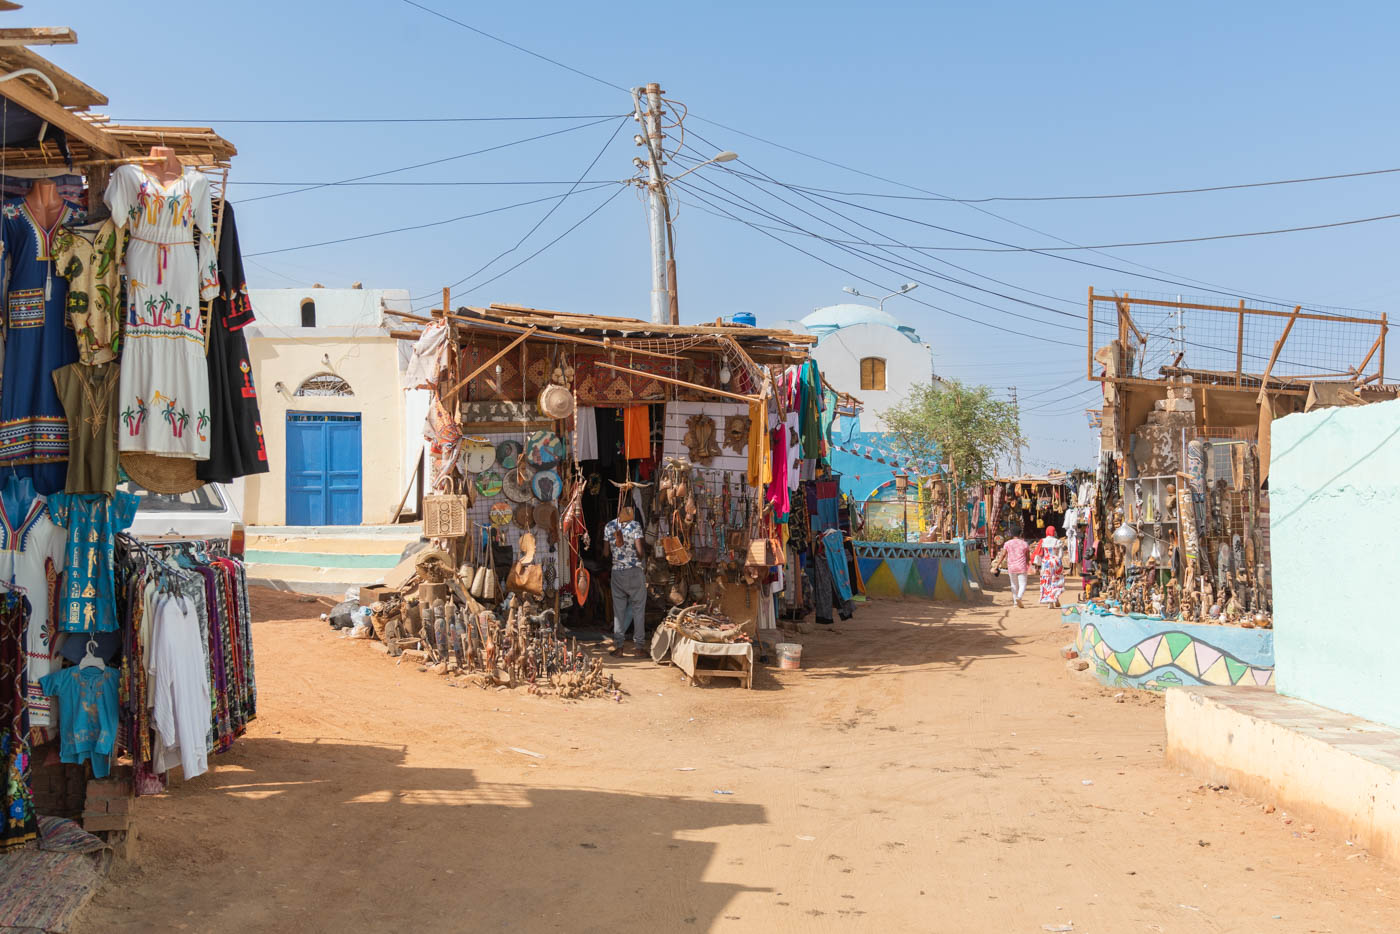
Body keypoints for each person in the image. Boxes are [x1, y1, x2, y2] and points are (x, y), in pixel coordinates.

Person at [604, 505, 647, 656]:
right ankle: (639, 648)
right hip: (634, 571)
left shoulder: (609, 526)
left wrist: (617, 555)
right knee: (638, 609)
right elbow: (640, 552)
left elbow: (605, 552)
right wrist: (636, 553)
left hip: (617, 573)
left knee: (619, 611)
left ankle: (619, 647)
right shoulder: (635, 525)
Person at [992, 526, 1031, 608]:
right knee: (1022, 584)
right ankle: (1019, 597)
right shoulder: (1024, 544)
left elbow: (1002, 555)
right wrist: (1028, 564)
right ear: (1020, 534)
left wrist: (997, 565)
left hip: (1011, 567)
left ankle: (1015, 602)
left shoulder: (1007, 543)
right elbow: (1027, 557)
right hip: (1022, 567)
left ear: (1012, 534)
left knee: (1013, 585)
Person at [1036, 525, 1066, 609]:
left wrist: (1039, 564)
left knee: (1047, 581)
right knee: (1056, 580)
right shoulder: (1057, 541)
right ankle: (1055, 598)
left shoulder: (1043, 541)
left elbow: (1039, 553)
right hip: (1055, 562)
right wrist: (1058, 560)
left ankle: (1050, 601)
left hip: (1045, 562)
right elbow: (1061, 554)